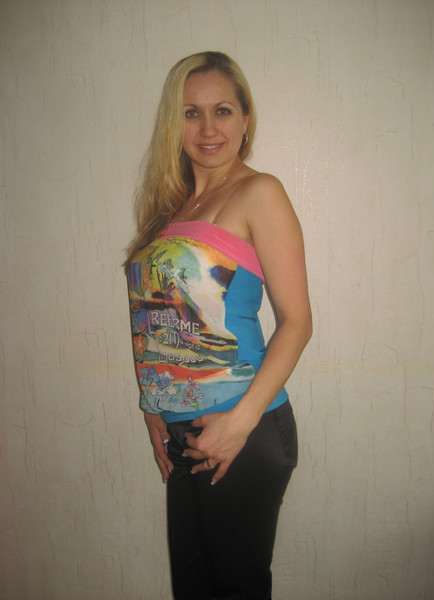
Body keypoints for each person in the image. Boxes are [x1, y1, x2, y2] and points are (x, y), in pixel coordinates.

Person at [125, 51, 312, 600]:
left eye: (223, 110)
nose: (208, 128)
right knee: (194, 590)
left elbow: (298, 321)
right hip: (181, 428)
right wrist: (153, 403)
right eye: (191, 113)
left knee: (235, 590)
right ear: (174, 123)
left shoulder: (259, 192)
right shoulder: (170, 209)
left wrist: (240, 423)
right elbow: (155, 315)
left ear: (245, 118)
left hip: (243, 424)